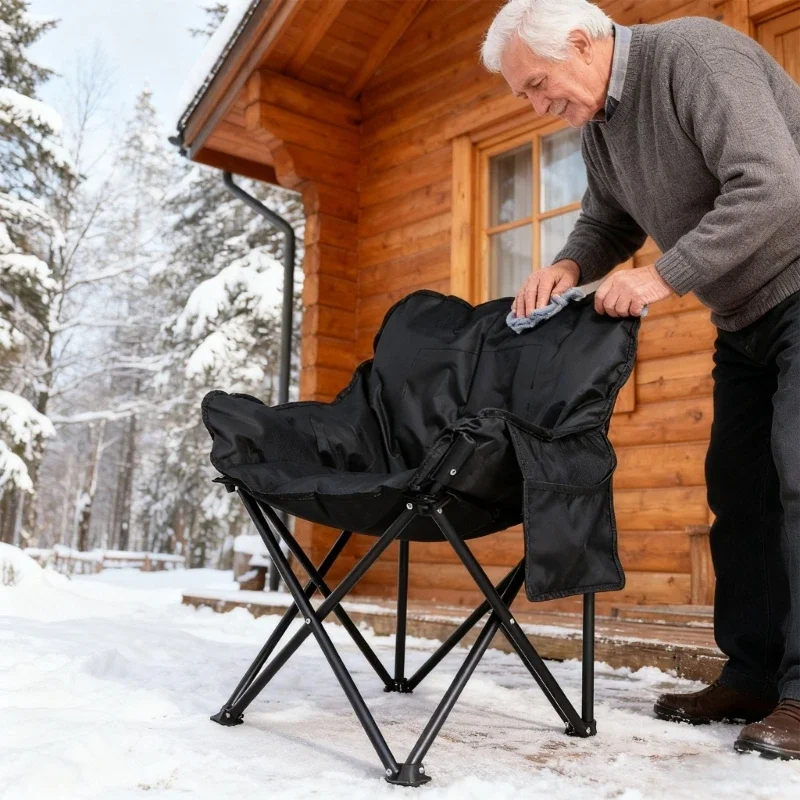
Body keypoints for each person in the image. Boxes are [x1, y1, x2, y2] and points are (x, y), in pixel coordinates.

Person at [481, 0, 800, 760]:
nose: (534, 104)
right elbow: (608, 220)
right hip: (744, 318)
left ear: (583, 42)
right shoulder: (600, 125)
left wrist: (663, 277)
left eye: (536, 83)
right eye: (521, 93)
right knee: (740, 492)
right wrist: (569, 266)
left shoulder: (694, 56)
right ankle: (755, 675)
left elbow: (773, 185)